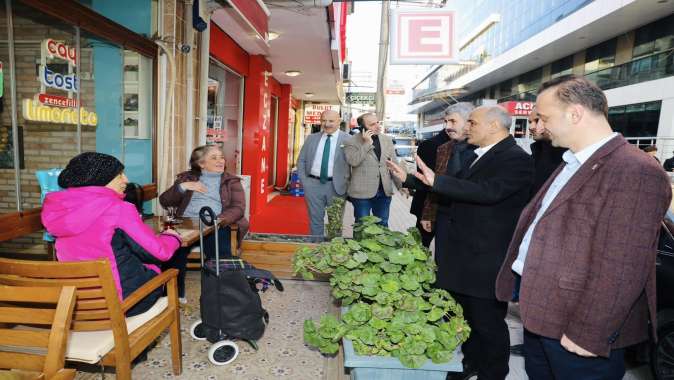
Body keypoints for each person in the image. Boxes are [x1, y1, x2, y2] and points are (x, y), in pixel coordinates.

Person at [495, 75, 672, 379]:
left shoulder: (634, 170)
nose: (540, 124)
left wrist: (589, 332)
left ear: (575, 114)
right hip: (542, 315)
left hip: (579, 328)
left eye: (545, 117)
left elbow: (622, 266)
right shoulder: (570, 161)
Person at [388, 105, 534, 380]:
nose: (468, 128)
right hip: (463, 255)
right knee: (465, 318)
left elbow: (488, 192)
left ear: (493, 126)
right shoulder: (478, 155)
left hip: (485, 259)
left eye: (473, 123)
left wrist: (438, 181)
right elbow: (453, 186)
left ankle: (493, 373)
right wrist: (409, 179)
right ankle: (470, 363)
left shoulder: (516, 159)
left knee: (487, 324)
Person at [41, 152, 182, 317]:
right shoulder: (118, 208)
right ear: (101, 179)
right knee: (159, 267)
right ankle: (137, 337)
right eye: (119, 175)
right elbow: (160, 252)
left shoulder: (58, 208)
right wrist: (172, 237)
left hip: (76, 302)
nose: (126, 180)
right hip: (121, 303)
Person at [159, 144, 249, 303]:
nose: (220, 160)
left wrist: (219, 221)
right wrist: (182, 187)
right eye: (214, 158)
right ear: (201, 163)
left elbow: (238, 208)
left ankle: (221, 296)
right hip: (185, 224)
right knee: (171, 254)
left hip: (215, 224)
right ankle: (174, 296)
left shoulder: (231, 181)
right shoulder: (186, 179)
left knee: (219, 255)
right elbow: (165, 201)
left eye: (221, 157)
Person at [417, 102, 475, 246]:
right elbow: (435, 183)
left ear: (469, 122)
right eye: (446, 122)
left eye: (453, 121)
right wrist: (428, 215)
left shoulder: (483, 149)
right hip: (443, 215)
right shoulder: (443, 148)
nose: (447, 127)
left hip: (470, 219)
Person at [296, 110, 350, 238]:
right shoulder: (312, 138)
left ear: (339, 121)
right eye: (324, 121)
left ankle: (334, 253)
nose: (327, 124)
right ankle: (316, 250)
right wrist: (305, 182)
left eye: (331, 121)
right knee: (315, 220)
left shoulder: (349, 140)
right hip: (313, 185)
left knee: (335, 222)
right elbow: (301, 160)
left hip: (337, 187)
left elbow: (355, 163)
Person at [343, 112, 400, 227]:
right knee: (362, 226)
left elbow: (394, 164)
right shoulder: (351, 141)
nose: (377, 126)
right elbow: (353, 161)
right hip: (362, 193)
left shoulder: (387, 140)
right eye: (372, 124)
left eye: (377, 122)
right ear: (362, 127)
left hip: (384, 191)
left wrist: (400, 185)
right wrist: (367, 143)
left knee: (383, 225)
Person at [528, 105, 565, 196]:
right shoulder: (536, 153)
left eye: (537, 120)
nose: (531, 127)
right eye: (530, 122)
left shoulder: (568, 157)